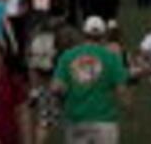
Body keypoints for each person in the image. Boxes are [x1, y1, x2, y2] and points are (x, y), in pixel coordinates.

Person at [54, 15, 130, 143]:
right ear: (103, 35)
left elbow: (56, 87)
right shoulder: (111, 57)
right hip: (104, 120)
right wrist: (129, 110)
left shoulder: (67, 56)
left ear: (83, 33)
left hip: (76, 119)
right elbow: (121, 90)